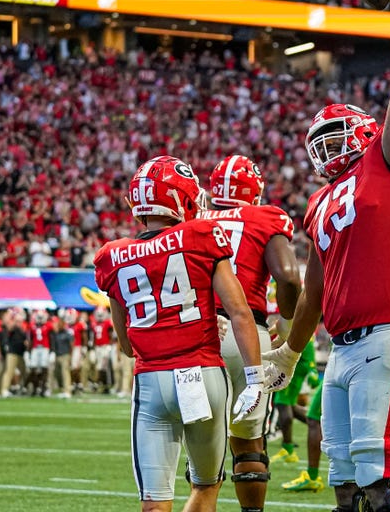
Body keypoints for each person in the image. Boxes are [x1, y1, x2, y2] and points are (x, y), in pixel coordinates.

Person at [263, 0, 390, 512]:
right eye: (322, 140)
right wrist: (286, 354)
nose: (330, 148)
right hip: (340, 348)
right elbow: (313, 290)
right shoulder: (318, 200)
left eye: (339, 135)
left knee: (384, 488)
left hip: (387, 334)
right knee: (346, 492)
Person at [93, 155, 265, 512]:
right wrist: (255, 378)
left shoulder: (112, 255)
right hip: (202, 374)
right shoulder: (201, 235)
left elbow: (126, 345)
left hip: (151, 382)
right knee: (205, 486)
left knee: (154, 504)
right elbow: (239, 311)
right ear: (182, 199)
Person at [200, 153, 301, 512]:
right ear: (255, 192)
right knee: (248, 442)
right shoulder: (264, 217)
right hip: (245, 336)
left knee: (200, 444)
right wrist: (288, 323)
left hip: (196, 336)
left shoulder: (193, 219)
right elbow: (289, 276)